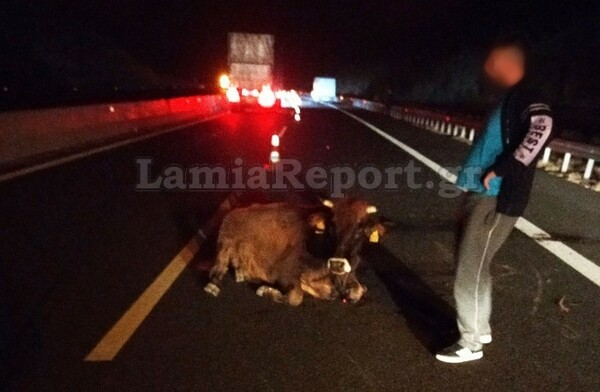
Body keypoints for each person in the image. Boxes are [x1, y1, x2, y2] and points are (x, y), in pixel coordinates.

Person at [435, 35, 554, 363]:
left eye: (498, 60)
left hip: (496, 197)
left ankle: (470, 343)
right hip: (481, 194)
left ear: (515, 64)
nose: (490, 66)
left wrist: (504, 168)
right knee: (477, 266)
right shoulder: (511, 98)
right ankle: (479, 327)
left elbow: (542, 128)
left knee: (467, 272)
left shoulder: (528, 95)